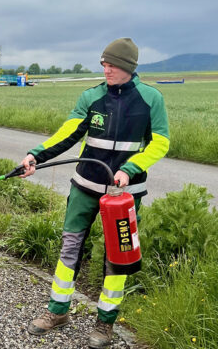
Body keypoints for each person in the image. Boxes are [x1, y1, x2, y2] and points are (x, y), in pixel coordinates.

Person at [21, 38, 170, 348]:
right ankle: (58, 311)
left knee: (117, 258)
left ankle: (105, 323)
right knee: (70, 247)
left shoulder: (150, 99)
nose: (106, 69)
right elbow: (68, 133)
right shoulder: (91, 97)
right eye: (104, 64)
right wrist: (36, 155)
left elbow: (160, 142)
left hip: (124, 197)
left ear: (129, 67)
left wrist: (129, 169)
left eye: (112, 64)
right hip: (85, 188)